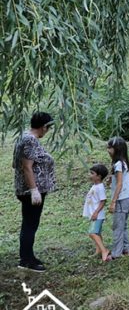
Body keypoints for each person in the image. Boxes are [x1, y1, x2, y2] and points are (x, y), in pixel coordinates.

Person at [12, 111, 56, 272]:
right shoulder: (29, 140)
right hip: (30, 191)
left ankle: (28, 256)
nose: (48, 131)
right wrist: (34, 190)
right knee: (30, 225)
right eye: (48, 128)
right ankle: (26, 260)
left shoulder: (25, 137)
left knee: (30, 223)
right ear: (43, 127)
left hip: (29, 190)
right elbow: (27, 167)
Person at [107, 137, 129, 259]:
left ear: (116, 149)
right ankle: (126, 249)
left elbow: (120, 184)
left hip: (122, 198)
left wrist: (113, 202)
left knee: (118, 226)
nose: (108, 150)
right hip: (128, 196)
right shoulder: (123, 162)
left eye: (110, 148)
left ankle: (116, 253)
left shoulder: (118, 164)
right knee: (123, 224)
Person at [84, 164, 110, 261]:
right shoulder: (95, 186)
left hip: (97, 215)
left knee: (92, 233)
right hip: (94, 214)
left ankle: (104, 250)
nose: (89, 175)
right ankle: (98, 250)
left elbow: (103, 201)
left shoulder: (99, 187)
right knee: (97, 233)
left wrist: (96, 212)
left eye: (92, 173)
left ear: (99, 176)